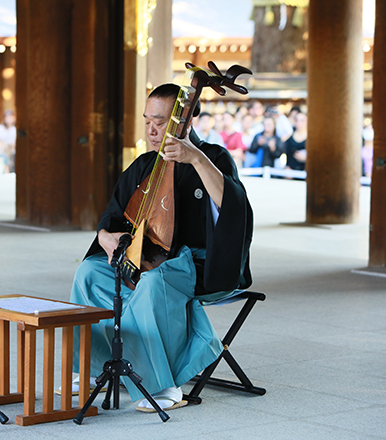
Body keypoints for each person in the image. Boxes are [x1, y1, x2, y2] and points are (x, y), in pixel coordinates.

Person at [69, 83, 253, 413]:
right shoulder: (143, 165)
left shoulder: (213, 157)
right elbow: (111, 219)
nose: (153, 131)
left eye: (161, 122)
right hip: (145, 255)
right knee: (89, 273)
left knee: (155, 281)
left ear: (183, 120)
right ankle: (92, 369)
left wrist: (195, 158)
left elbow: (233, 208)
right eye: (147, 121)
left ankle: (163, 383)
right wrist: (105, 239)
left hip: (197, 262)